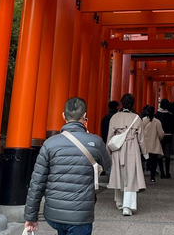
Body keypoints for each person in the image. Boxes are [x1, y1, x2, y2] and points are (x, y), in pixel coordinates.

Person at [24, 97, 110, 235]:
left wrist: (30, 217)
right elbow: (107, 165)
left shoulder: (49, 144)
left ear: (63, 116)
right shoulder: (96, 141)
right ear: (85, 116)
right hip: (81, 214)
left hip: (54, 213)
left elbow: (37, 182)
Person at [107, 93, 148, 216]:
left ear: (122, 103)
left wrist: (108, 152)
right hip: (132, 147)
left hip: (118, 148)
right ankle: (127, 206)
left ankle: (119, 202)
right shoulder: (137, 118)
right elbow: (141, 138)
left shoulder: (114, 117)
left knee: (119, 174)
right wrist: (145, 153)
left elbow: (110, 136)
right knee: (131, 177)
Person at [140, 105, 164, 184]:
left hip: (145, 145)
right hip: (154, 144)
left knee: (143, 161)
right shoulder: (157, 122)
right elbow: (161, 134)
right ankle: (152, 178)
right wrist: (158, 139)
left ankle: (142, 176)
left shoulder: (143, 120)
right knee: (154, 162)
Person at [154, 98, 174, 179]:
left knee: (160, 155)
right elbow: (173, 126)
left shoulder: (157, 114)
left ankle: (161, 172)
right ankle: (167, 172)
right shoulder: (170, 115)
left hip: (159, 136)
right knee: (167, 155)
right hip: (168, 135)